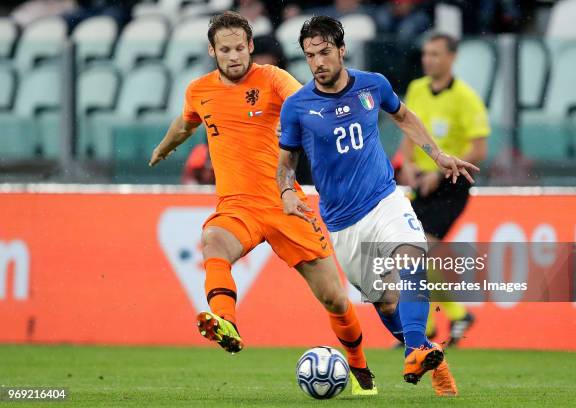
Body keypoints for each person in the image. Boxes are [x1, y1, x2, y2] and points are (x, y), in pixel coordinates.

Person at [148, 11, 377, 395]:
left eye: (240, 48)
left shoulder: (271, 79)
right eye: (225, 49)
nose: (234, 55)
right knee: (213, 243)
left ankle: (362, 374)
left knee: (335, 299)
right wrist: (163, 148)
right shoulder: (199, 90)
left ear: (251, 46)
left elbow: (309, 101)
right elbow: (186, 124)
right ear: (212, 51)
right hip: (237, 206)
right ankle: (226, 323)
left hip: (285, 203)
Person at [277, 16, 478, 396]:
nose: (318, 62)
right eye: (309, 56)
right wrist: (287, 191)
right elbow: (285, 164)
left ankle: (417, 347)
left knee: (411, 255)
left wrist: (436, 154)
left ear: (341, 49)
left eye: (324, 53)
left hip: (384, 199)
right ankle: (430, 357)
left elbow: (403, 116)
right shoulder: (297, 106)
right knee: (386, 303)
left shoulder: (373, 85)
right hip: (341, 222)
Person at [398, 32, 489, 347]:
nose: (428, 60)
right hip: (421, 182)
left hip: (452, 183)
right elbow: (408, 130)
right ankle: (434, 324)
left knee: (425, 246)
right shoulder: (417, 89)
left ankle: (453, 313)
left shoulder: (466, 97)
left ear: (452, 58)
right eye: (425, 54)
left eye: (435, 54)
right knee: (411, 253)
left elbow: (478, 149)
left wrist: (440, 169)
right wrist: (407, 164)